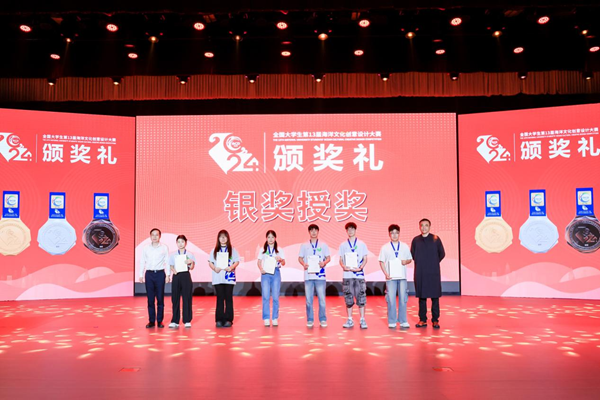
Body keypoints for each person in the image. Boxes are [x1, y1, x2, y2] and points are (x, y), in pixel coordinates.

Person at [411, 218, 445, 329]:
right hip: (420, 272)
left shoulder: (436, 239)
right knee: (422, 297)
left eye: (426, 225)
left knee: (435, 297)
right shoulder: (416, 240)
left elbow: (442, 254)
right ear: (419, 227)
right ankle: (422, 319)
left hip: (433, 272)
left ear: (429, 227)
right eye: (422, 225)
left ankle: (435, 320)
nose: (424, 227)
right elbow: (413, 254)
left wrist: (433, 262)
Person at [378, 224, 413, 329]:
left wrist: (405, 261)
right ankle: (392, 320)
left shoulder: (404, 246)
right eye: (392, 233)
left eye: (396, 233)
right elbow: (381, 261)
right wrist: (386, 274)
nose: (394, 235)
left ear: (399, 233)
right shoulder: (385, 247)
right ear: (389, 234)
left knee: (403, 299)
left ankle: (403, 320)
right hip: (390, 278)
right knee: (391, 299)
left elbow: (410, 259)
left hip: (402, 277)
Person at [298, 224, 330, 328]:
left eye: (315, 230)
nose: (314, 232)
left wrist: (324, 263)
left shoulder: (323, 245)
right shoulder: (304, 245)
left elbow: (328, 258)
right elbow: (300, 258)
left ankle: (323, 319)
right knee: (308, 300)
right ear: (309, 232)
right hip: (308, 276)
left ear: (318, 232)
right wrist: (304, 264)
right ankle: (310, 319)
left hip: (320, 276)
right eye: (311, 230)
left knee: (322, 299)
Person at [338, 222, 369, 329]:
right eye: (348, 229)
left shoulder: (362, 244)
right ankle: (350, 319)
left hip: (359, 275)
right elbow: (340, 259)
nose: (350, 231)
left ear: (355, 230)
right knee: (348, 298)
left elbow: (365, 259)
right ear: (346, 231)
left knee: (361, 297)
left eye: (352, 229)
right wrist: (343, 266)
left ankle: (362, 319)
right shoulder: (343, 245)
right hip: (347, 275)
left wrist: (360, 267)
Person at [208, 230, 240, 328]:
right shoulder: (214, 250)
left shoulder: (232, 249)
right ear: (218, 238)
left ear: (228, 238)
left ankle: (228, 319)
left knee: (228, 298)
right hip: (218, 277)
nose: (223, 238)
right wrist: (214, 268)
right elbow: (210, 262)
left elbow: (237, 261)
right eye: (221, 237)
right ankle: (219, 319)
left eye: (224, 236)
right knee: (220, 298)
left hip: (229, 278)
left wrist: (231, 267)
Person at [139, 228, 170, 328]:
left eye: (157, 235)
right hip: (149, 274)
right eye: (153, 235)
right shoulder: (146, 248)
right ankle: (151, 321)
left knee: (160, 298)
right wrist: (140, 274)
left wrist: (168, 275)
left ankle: (160, 321)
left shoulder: (164, 247)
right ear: (150, 236)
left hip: (160, 274)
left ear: (160, 236)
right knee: (150, 299)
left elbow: (167, 261)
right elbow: (142, 261)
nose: (155, 237)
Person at [257, 230, 286, 327]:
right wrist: (261, 269)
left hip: (276, 273)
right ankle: (266, 318)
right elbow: (259, 262)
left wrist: (280, 259)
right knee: (265, 296)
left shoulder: (279, 250)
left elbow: (283, 263)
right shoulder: (262, 249)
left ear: (275, 238)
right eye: (269, 237)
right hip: (265, 274)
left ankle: (274, 318)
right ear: (266, 238)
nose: (270, 239)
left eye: (272, 237)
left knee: (275, 296)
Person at [168, 235, 196, 329]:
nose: (180, 244)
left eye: (182, 242)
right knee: (175, 298)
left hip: (186, 275)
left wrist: (191, 262)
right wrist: (173, 270)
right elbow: (171, 265)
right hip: (176, 276)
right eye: (179, 242)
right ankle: (175, 321)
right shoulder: (173, 254)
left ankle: (187, 320)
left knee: (187, 298)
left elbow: (192, 267)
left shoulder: (190, 254)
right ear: (176, 243)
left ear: (186, 243)